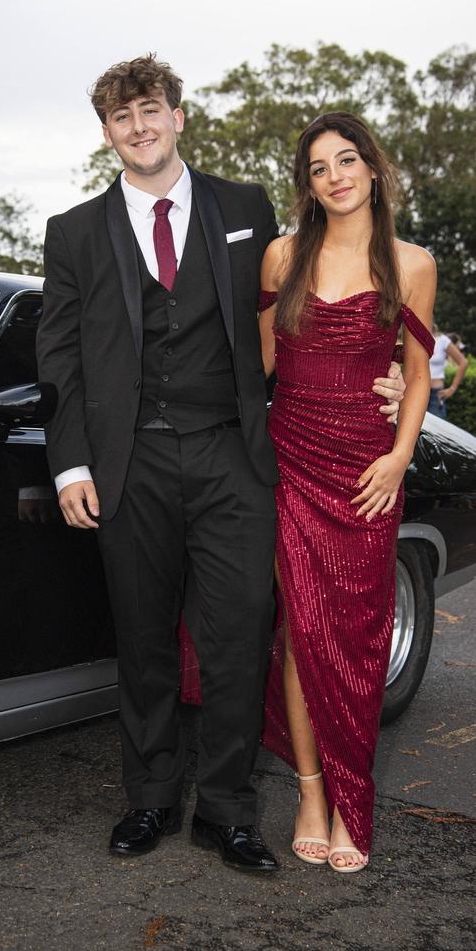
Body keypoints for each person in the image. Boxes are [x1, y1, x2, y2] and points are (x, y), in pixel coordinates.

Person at [36, 57, 405, 872]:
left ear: (177, 116)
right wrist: (71, 467)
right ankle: (151, 800)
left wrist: (381, 373)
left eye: (151, 110)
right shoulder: (73, 233)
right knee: (143, 640)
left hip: (234, 457)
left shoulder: (245, 209)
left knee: (240, 637)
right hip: (127, 463)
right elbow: (58, 357)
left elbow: (306, 308)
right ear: (107, 134)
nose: (139, 127)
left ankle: (230, 813)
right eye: (121, 117)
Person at [258, 112, 436, 873]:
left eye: (347, 160)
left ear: (372, 169)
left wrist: (399, 456)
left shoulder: (412, 264)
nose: (335, 175)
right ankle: (309, 792)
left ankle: (349, 791)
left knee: (358, 640)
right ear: (308, 183)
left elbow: (420, 376)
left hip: (367, 471)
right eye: (319, 166)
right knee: (302, 632)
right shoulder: (281, 257)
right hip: (291, 460)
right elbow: (259, 367)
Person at [428, 324, 467, 418]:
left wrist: (452, 388)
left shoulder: (442, 340)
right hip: (415, 392)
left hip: (435, 394)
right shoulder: (414, 338)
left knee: (436, 429)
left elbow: (463, 362)